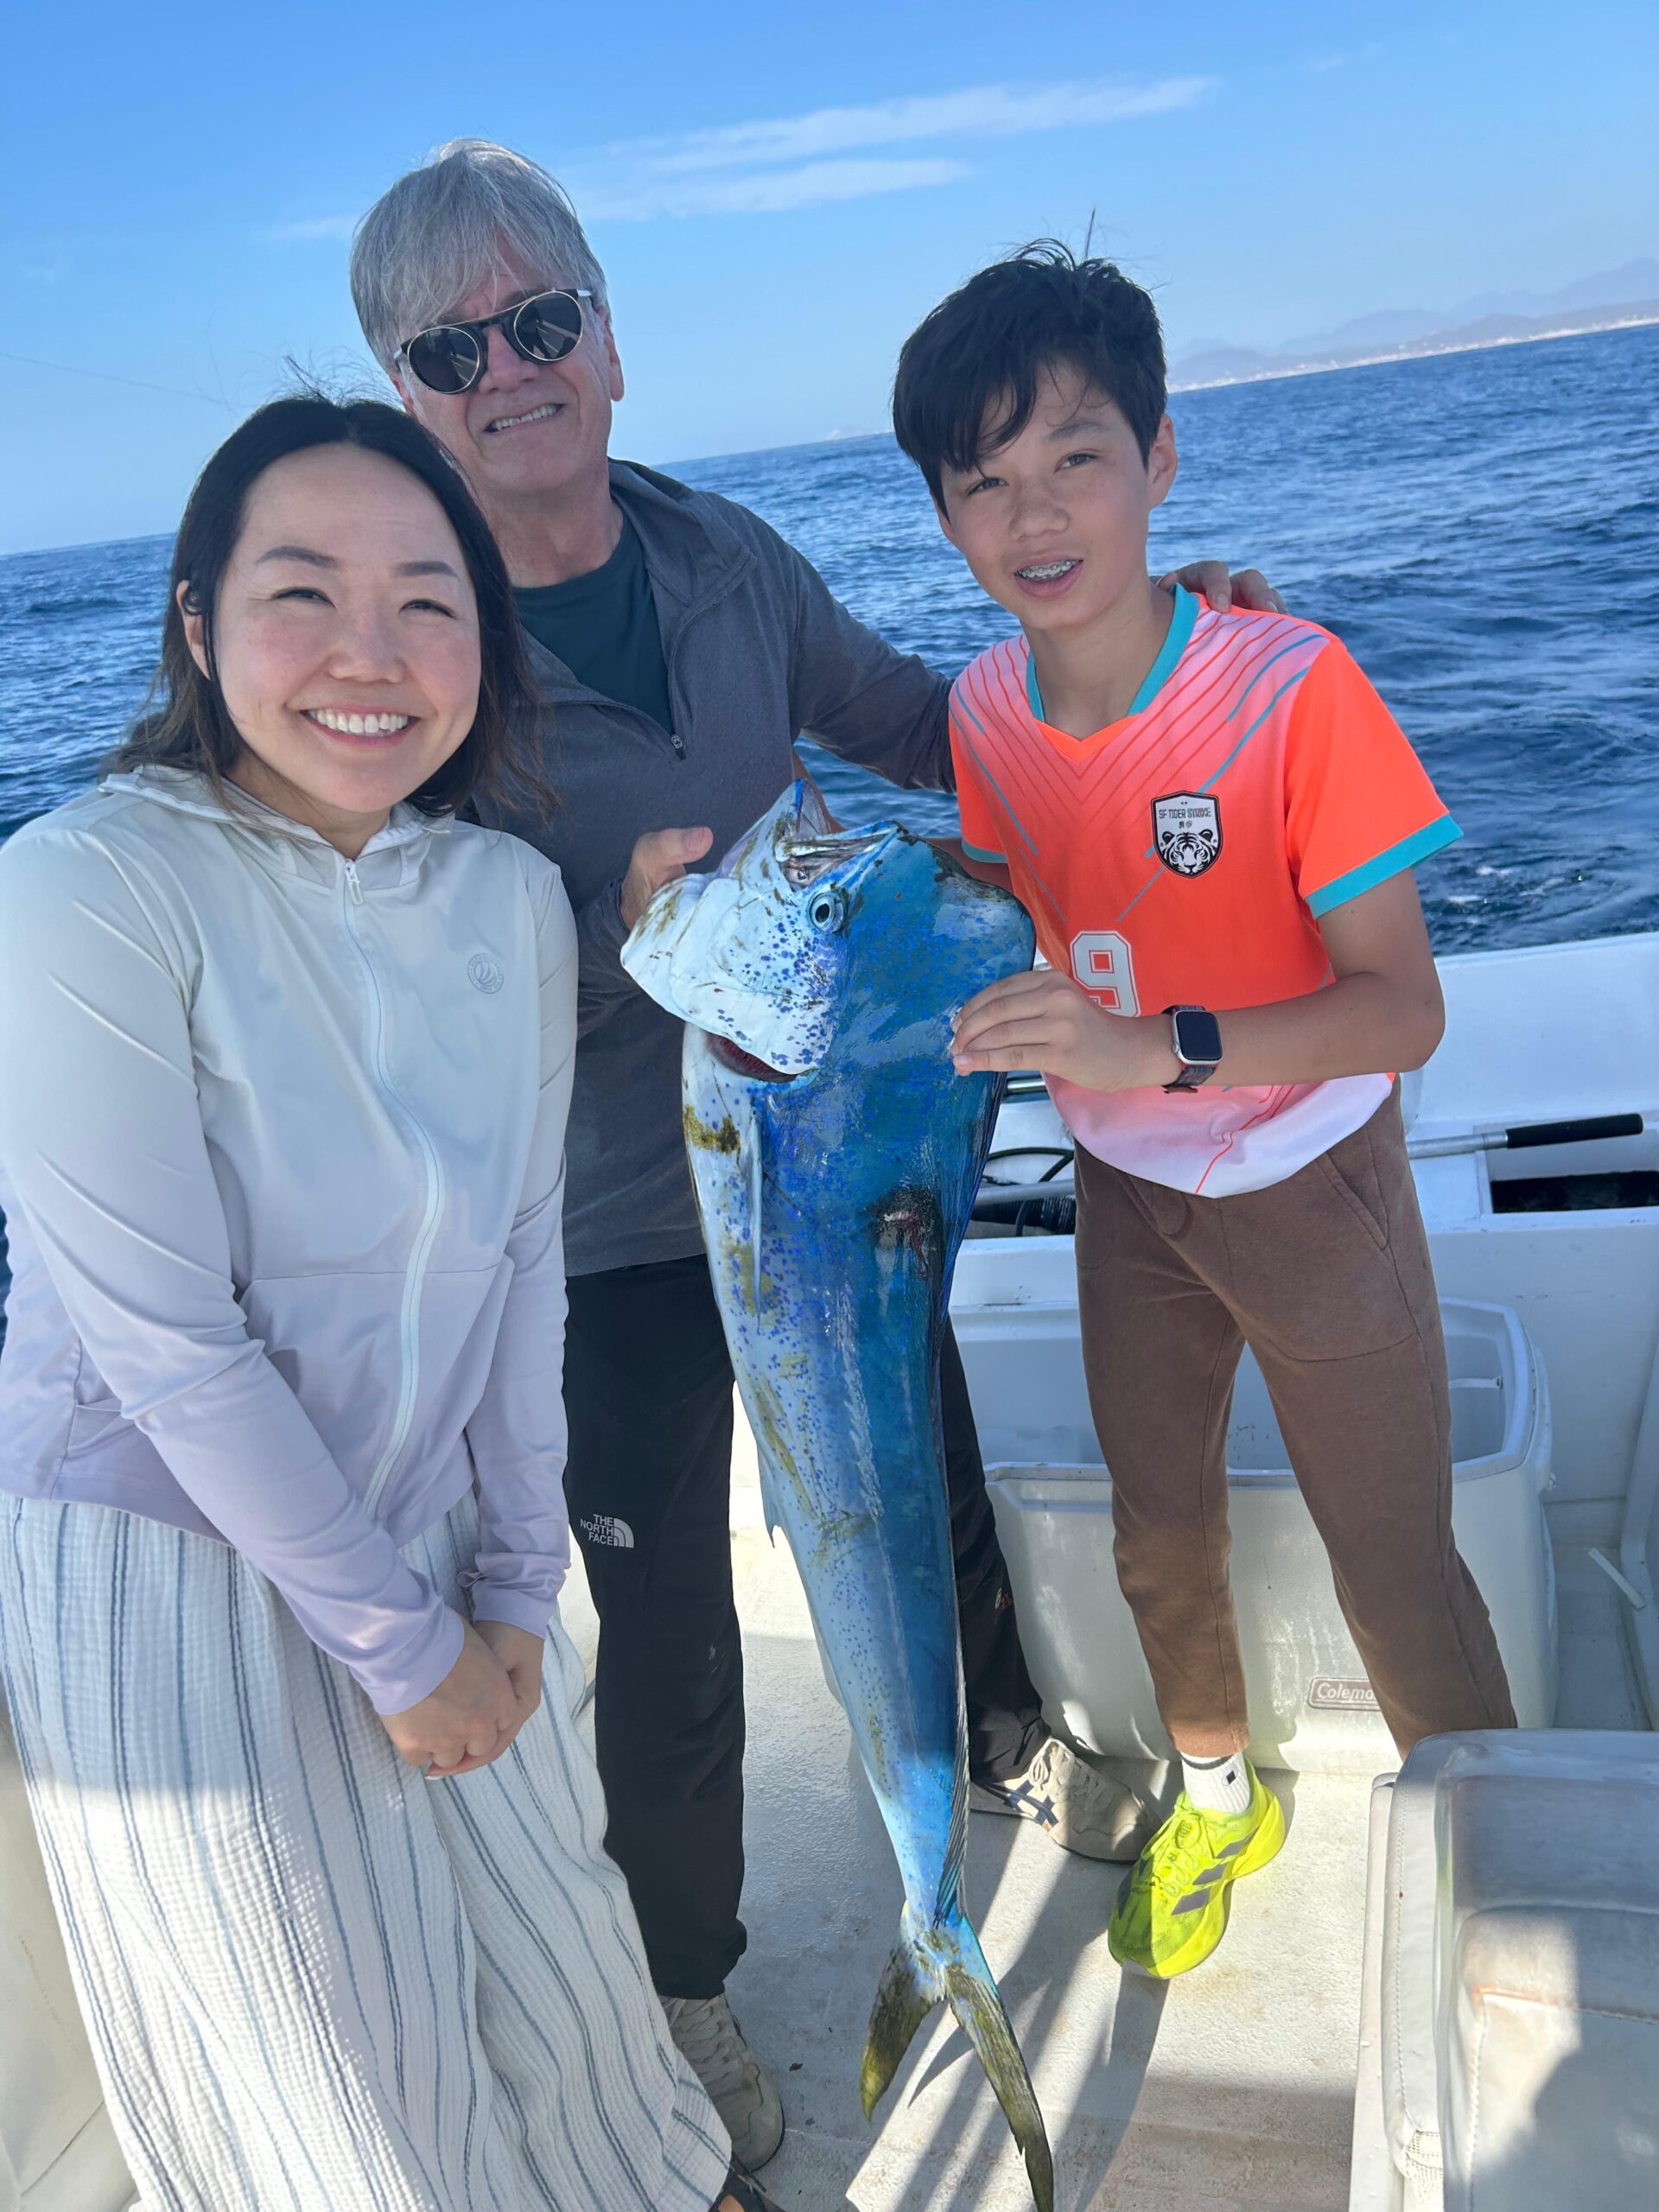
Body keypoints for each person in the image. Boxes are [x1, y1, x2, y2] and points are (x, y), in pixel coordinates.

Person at [346, 140, 1285, 2163]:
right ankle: (689, 1980)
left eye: (540, 318)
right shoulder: (404, 640)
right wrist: (609, 942)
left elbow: (931, 726)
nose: (509, 368)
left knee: (926, 1477)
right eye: (451, 347)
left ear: (607, 335)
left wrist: (1154, 655)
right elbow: (388, 977)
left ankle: (1004, 1749)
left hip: (835, 1158)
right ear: (405, 394)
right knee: (674, 1624)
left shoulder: (723, 556)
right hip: (601, 1219)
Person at [0, 394, 773, 2212]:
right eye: (302, 593)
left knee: (573, 1974)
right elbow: (165, 1342)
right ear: (198, 625)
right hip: (169, 1565)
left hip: (437, 1522)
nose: (372, 653)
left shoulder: (504, 896)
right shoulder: (85, 886)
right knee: (337, 2080)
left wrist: (511, 1584)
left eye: (430, 599)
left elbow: (519, 1260)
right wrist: (404, 1651)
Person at [891, 243, 1516, 1982]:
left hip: (1313, 1184)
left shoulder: (1289, 683)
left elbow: (1402, 1006)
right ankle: (1220, 1795)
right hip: (1125, 1200)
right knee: (1157, 1531)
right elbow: (1020, 896)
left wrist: (1149, 1046)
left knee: (1393, 1561)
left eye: (1077, 456)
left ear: (1160, 458)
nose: (1035, 514)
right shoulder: (982, 710)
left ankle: (1495, 1845)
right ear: (942, 516)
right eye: (983, 481)